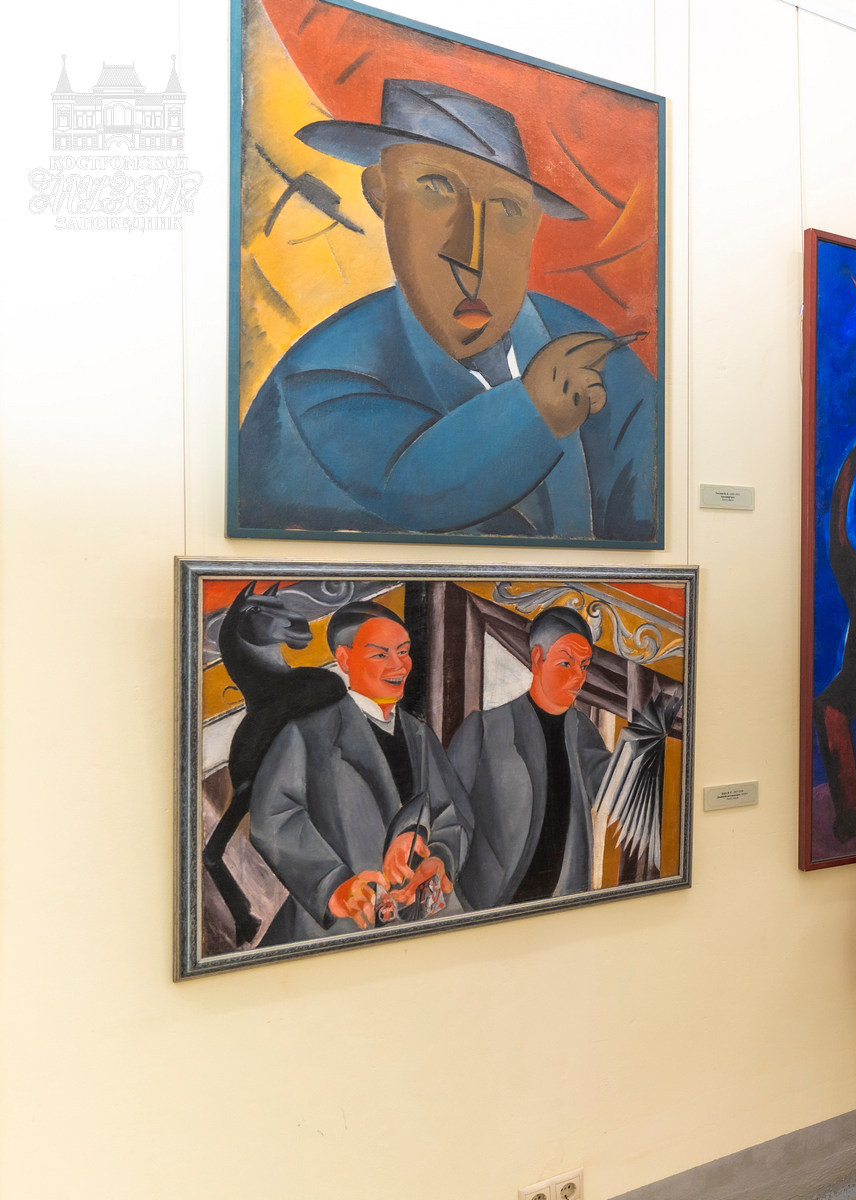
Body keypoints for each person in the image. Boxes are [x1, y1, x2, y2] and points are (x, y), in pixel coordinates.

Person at [236, 78, 657, 543]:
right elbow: (410, 488)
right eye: (435, 188)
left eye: (507, 208)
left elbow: (644, 526)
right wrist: (535, 409)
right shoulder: (323, 373)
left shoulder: (609, 365)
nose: (469, 254)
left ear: (533, 224)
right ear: (380, 194)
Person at [249, 601, 471, 946]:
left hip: (419, 924)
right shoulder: (307, 735)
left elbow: (452, 811)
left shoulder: (420, 735)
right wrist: (334, 885)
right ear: (344, 659)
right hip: (340, 931)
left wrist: (440, 858)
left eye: (403, 651)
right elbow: (272, 820)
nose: (399, 665)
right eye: (380, 654)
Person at [448, 607, 614, 909]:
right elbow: (447, 817)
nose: (578, 677)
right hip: (486, 905)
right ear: (538, 659)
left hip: (562, 904)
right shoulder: (482, 730)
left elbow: (611, 789)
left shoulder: (583, 731)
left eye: (584, 665)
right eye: (566, 663)